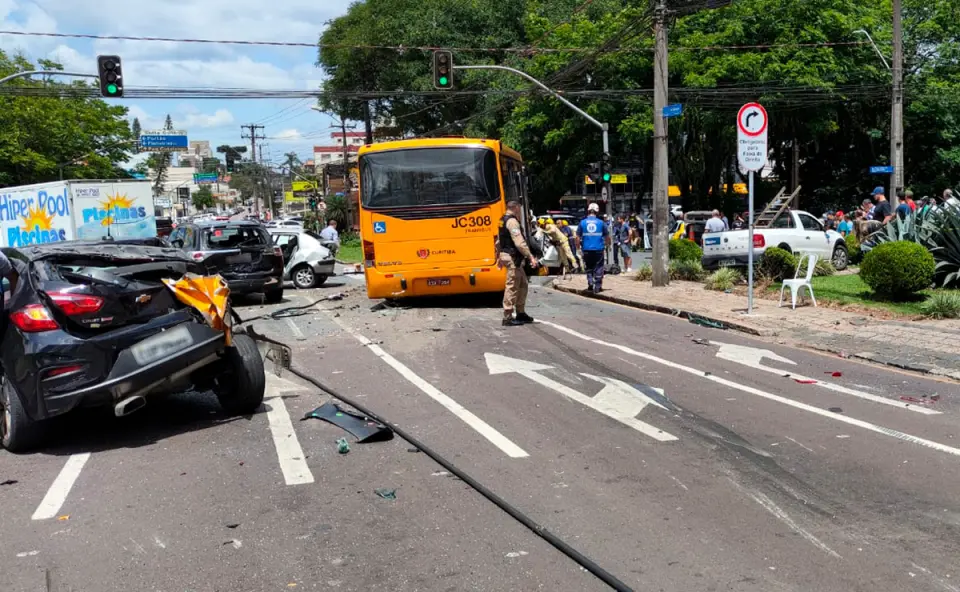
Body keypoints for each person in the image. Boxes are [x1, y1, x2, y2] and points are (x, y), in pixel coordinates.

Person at [495, 200, 538, 327]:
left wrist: (499, 256)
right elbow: (519, 242)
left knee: (523, 283)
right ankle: (507, 316)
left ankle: (521, 312)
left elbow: (498, 241)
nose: (519, 211)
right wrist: (530, 256)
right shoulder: (512, 221)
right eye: (519, 208)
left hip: (508, 256)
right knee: (512, 286)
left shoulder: (502, 220)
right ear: (515, 207)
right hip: (513, 257)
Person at [579, 203, 609, 293]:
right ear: (597, 211)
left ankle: (590, 282)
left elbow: (577, 237)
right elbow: (607, 236)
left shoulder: (582, 222)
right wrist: (608, 245)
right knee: (599, 267)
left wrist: (577, 248)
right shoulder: (601, 223)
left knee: (589, 267)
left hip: (586, 249)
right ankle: (598, 286)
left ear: (588, 211)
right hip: (598, 249)